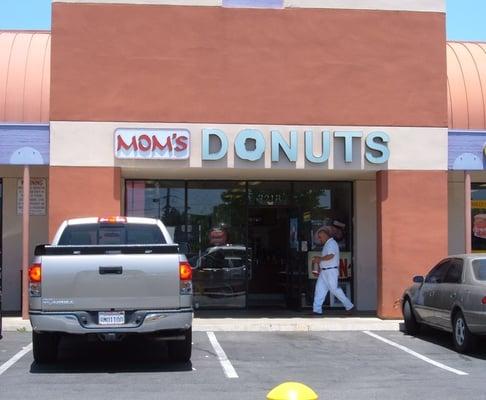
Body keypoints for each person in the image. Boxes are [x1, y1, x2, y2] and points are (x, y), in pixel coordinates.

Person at [312, 226, 354, 315]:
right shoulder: (328, 244)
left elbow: (331, 256)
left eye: (320, 237)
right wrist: (320, 261)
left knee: (334, 289)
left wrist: (319, 259)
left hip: (331, 271)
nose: (320, 239)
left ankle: (349, 306)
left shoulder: (331, 243)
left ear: (325, 235)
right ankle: (317, 310)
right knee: (319, 290)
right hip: (324, 271)